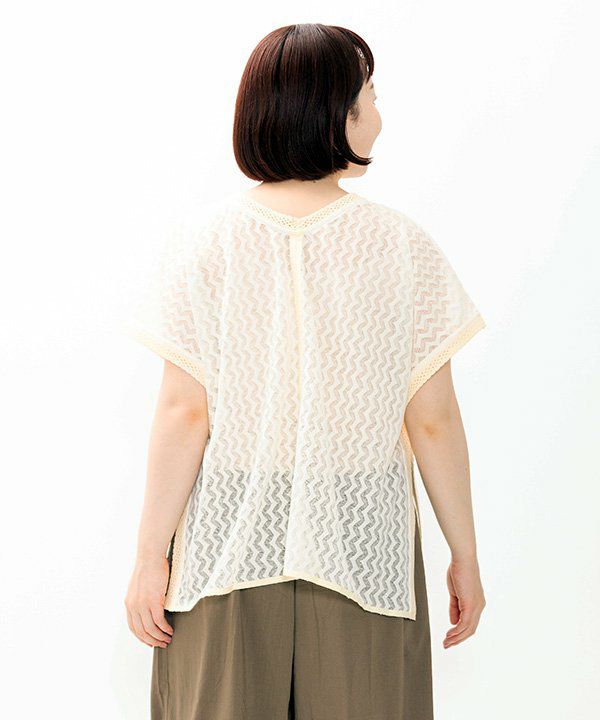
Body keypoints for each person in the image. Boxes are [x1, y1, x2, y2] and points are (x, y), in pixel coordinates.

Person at [123, 22, 487, 720]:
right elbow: (433, 420)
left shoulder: (205, 244)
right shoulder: (399, 246)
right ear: (337, 114)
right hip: (363, 532)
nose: (379, 113)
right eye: (371, 96)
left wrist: (149, 557)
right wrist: (463, 554)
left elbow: (184, 412)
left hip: (229, 533)